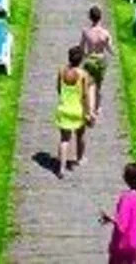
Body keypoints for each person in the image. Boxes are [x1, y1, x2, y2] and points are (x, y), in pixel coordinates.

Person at [100, 162, 136, 264]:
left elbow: (122, 225)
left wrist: (110, 218)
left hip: (126, 245)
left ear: (126, 178)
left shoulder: (127, 198)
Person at [54, 46, 95, 179]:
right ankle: (80, 158)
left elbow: (58, 89)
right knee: (80, 135)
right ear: (81, 60)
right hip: (78, 110)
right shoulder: (83, 74)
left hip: (63, 108)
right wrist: (89, 112)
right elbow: (85, 95)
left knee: (64, 139)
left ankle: (61, 168)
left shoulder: (61, 71)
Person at [80, 5, 113, 115]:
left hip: (90, 60)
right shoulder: (105, 33)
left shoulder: (86, 32)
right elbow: (109, 49)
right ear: (100, 17)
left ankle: (88, 107)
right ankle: (98, 107)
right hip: (100, 60)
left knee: (88, 85)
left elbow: (81, 47)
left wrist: (85, 55)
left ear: (90, 17)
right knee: (98, 86)